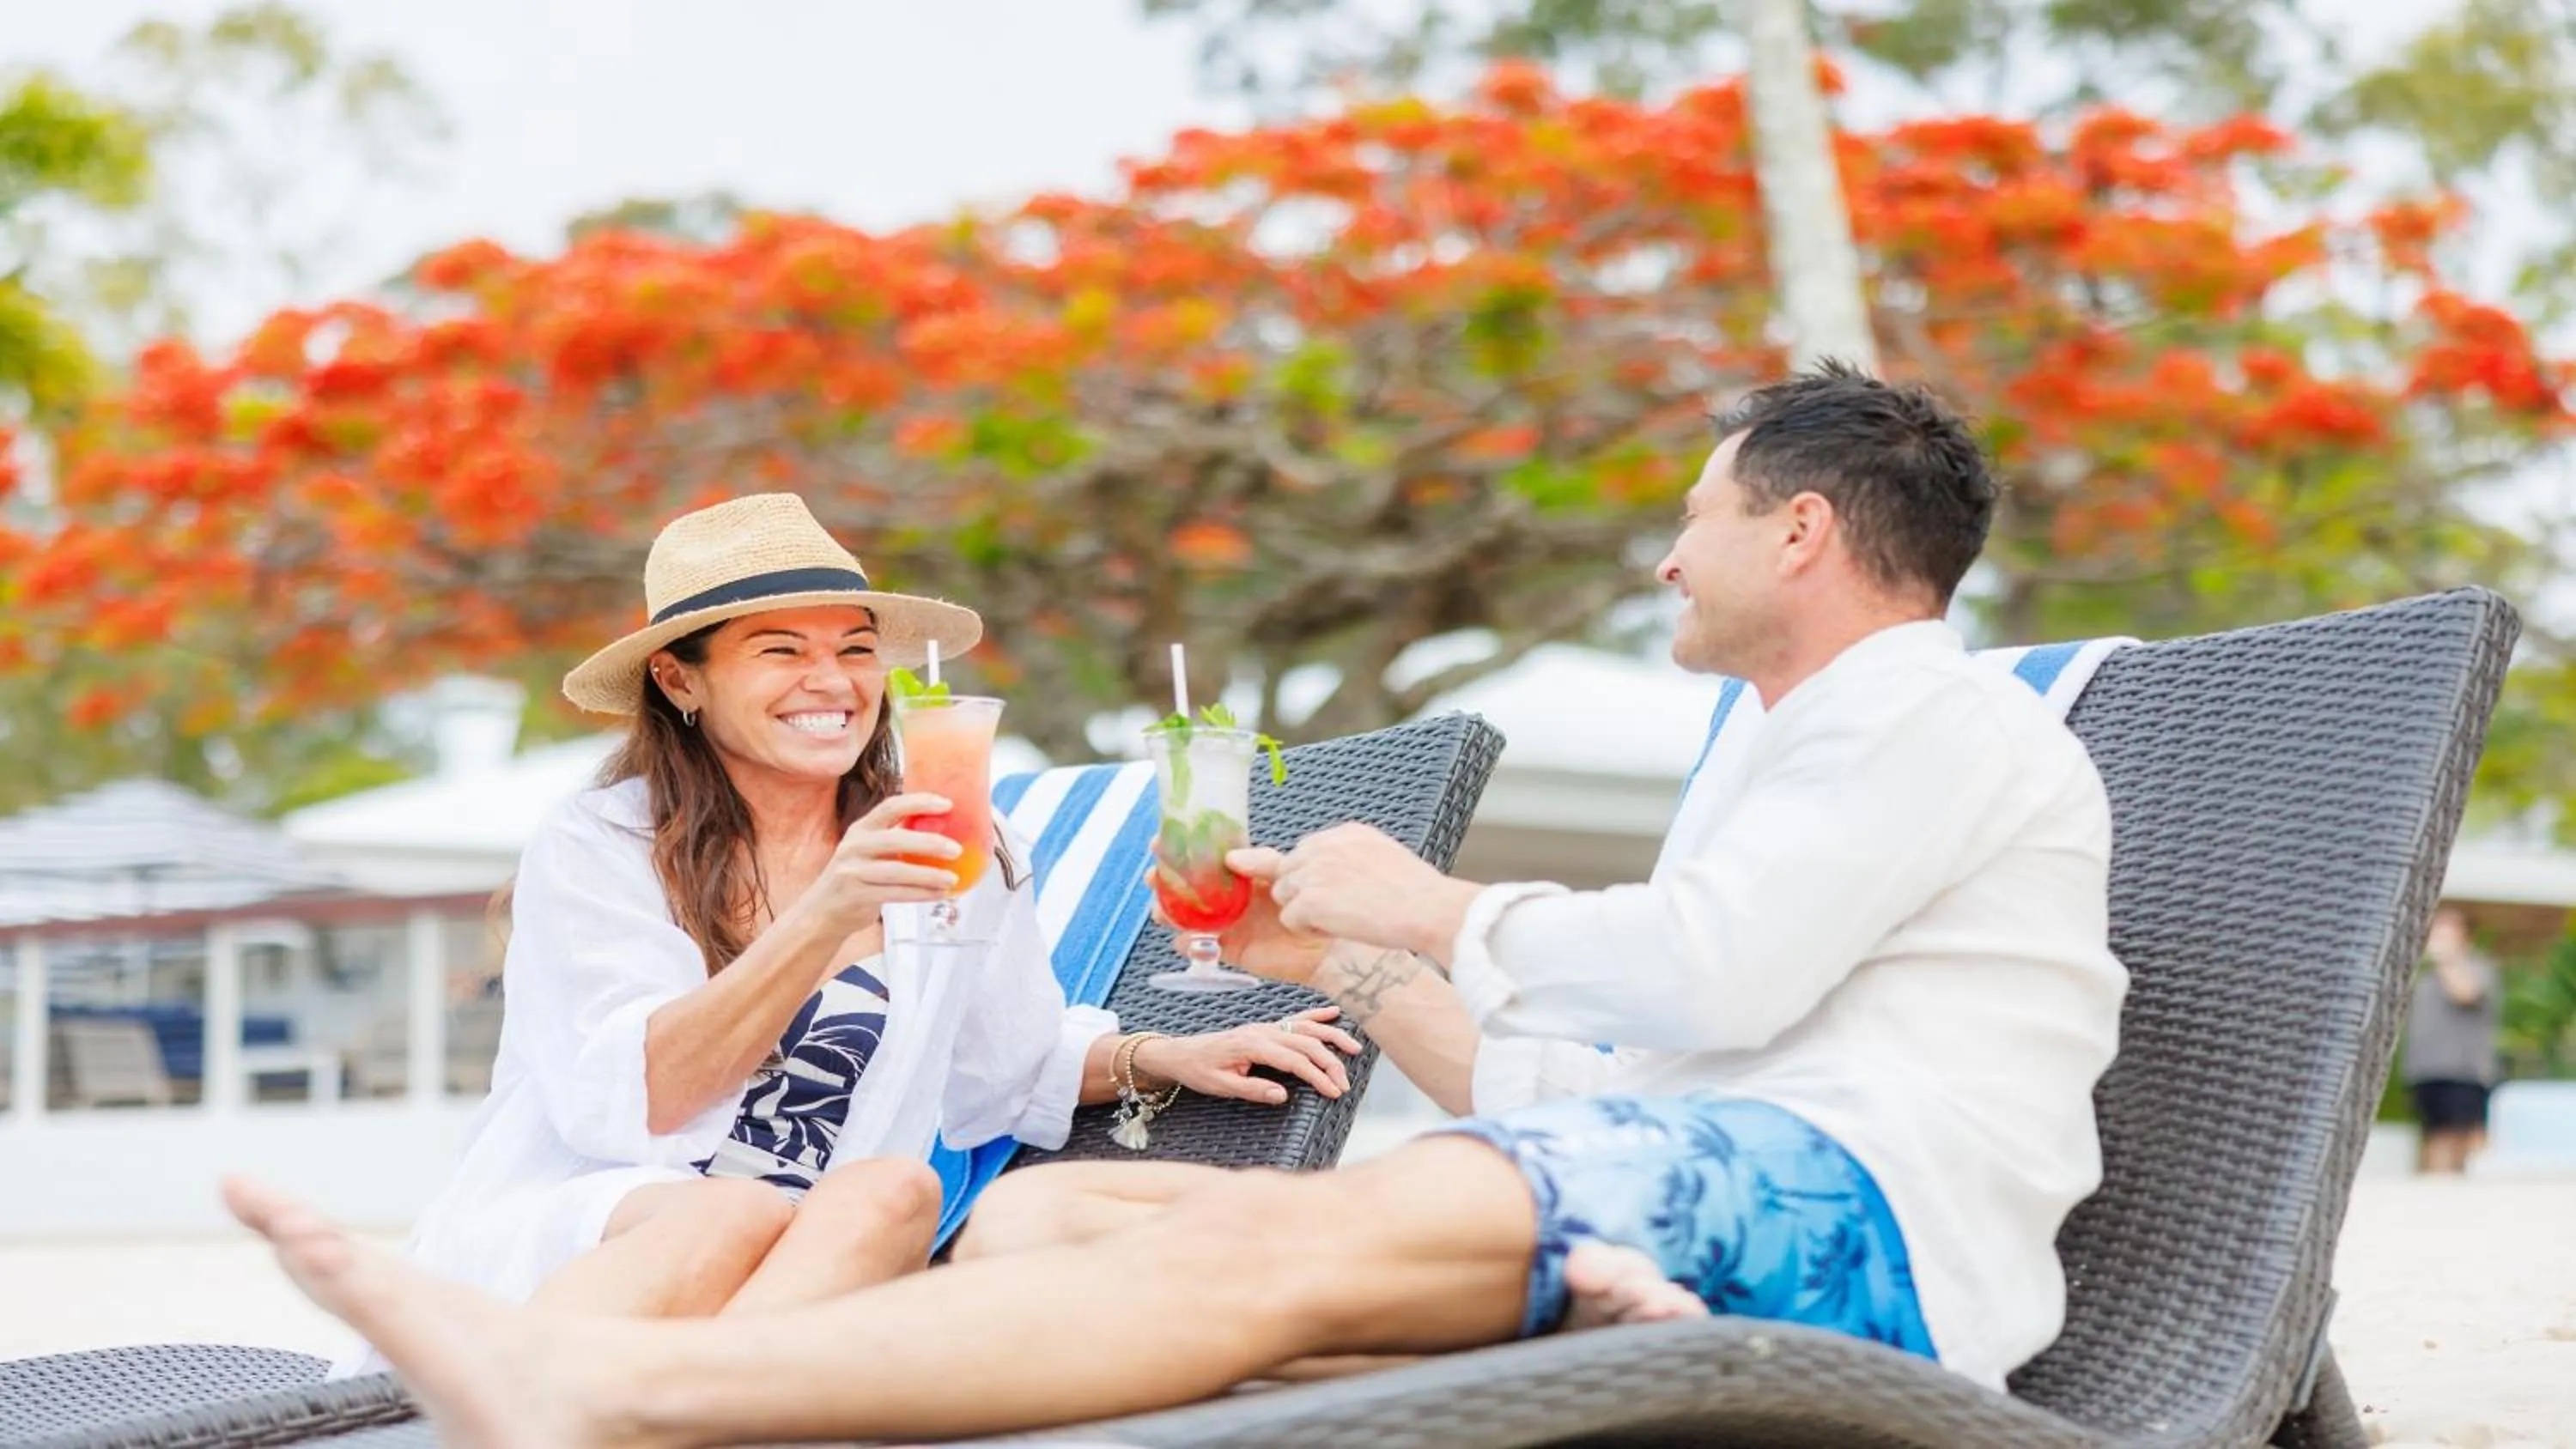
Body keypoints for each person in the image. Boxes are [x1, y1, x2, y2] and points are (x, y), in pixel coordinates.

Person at [228, 361, 2129, 1448]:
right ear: (684, 683)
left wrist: (1437, 902)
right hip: (1689, 1168)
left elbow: (1711, 967)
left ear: (1798, 527)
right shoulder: (1792, 753)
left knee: (1255, 1237)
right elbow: (1576, 1072)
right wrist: (1347, 957)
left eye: (1698, 515)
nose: (1662, 550)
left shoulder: (1912, 718)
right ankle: (1524, 1320)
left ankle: (628, 1399)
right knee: (1052, 1218)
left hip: (1825, 1205)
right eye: (774, 648)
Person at [362, 493, 1359, 1350]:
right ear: (680, 679)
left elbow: (1002, 1070)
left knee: (897, 1193)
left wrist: (1164, 1053)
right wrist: (826, 914)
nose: (832, 681)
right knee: (735, 1208)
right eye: (780, 649)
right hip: (602, 1227)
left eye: (854, 647)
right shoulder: (605, 841)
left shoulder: (953, 837)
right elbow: (632, 1103)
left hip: (805, 1260)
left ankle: (684, 1411)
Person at [2403, 906, 2502, 1174]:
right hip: (2426, 1071)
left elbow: (2465, 993)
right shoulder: (2426, 976)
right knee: (2434, 1136)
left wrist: (2447, 959)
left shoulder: (2477, 967)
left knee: (2461, 1137)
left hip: (2462, 1071)